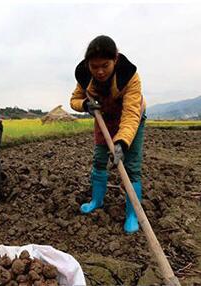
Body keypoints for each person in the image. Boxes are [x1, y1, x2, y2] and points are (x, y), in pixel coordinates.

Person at [70, 35, 146, 234]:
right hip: (104, 117)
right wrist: (85, 105)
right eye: (95, 66)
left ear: (115, 59)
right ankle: (96, 200)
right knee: (99, 159)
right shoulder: (84, 75)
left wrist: (122, 142)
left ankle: (132, 214)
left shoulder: (129, 76)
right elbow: (75, 100)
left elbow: (131, 115)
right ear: (88, 65)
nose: (100, 71)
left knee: (131, 167)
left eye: (105, 65)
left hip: (132, 118)